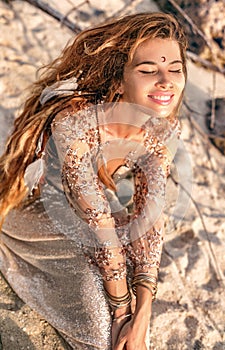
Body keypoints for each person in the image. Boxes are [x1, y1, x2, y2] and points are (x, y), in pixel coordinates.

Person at [0, 12, 187, 350]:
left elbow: (150, 223)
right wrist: (120, 313)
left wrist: (142, 311)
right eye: (148, 70)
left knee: (135, 271)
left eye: (175, 69)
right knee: (102, 320)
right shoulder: (75, 124)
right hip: (38, 213)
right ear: (119, 78)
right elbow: (100, 226)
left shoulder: (165, 129)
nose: (166, 81)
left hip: (95, 206)